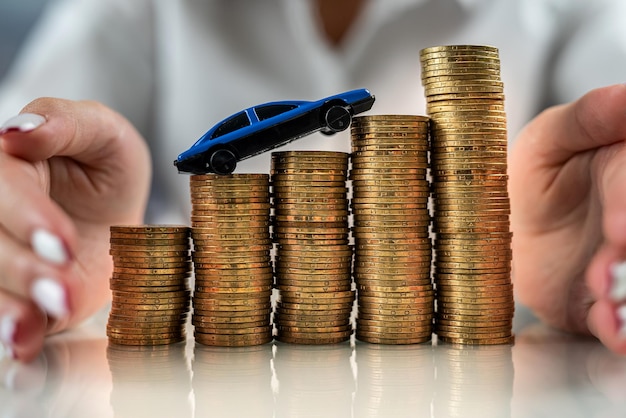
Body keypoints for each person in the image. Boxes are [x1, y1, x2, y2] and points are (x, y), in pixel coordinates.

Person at [0, 0, 625, 362]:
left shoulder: (579, 9)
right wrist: (35, 206)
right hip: (202, 368)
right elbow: (22, 131)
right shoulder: (126, 9)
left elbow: (610, 117)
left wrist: (600, 209)